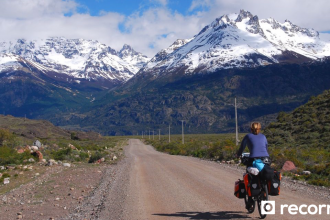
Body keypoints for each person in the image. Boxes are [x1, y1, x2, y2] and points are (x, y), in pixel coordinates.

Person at [236, 122, 270, 210]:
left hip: (253, 159)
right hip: (266, 159)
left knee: (249, 174)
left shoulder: (248, 136)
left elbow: (242, 148)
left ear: (251, 129)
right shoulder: (263, 136)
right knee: (263, 171)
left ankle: (250, 199)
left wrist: (238, 155)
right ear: (260, 128)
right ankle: (264, 189)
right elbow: (266, 148)